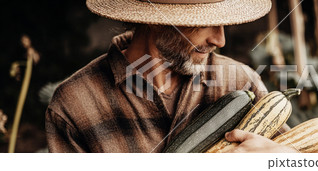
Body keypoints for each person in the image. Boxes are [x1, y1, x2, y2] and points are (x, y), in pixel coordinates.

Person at [45, 0, 296, 153]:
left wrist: (282, 158)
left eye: (224, 24)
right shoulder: (74, 105)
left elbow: (300, 154)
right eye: (206, 22)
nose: (220, 40)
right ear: (156, 21)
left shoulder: (241, 81)